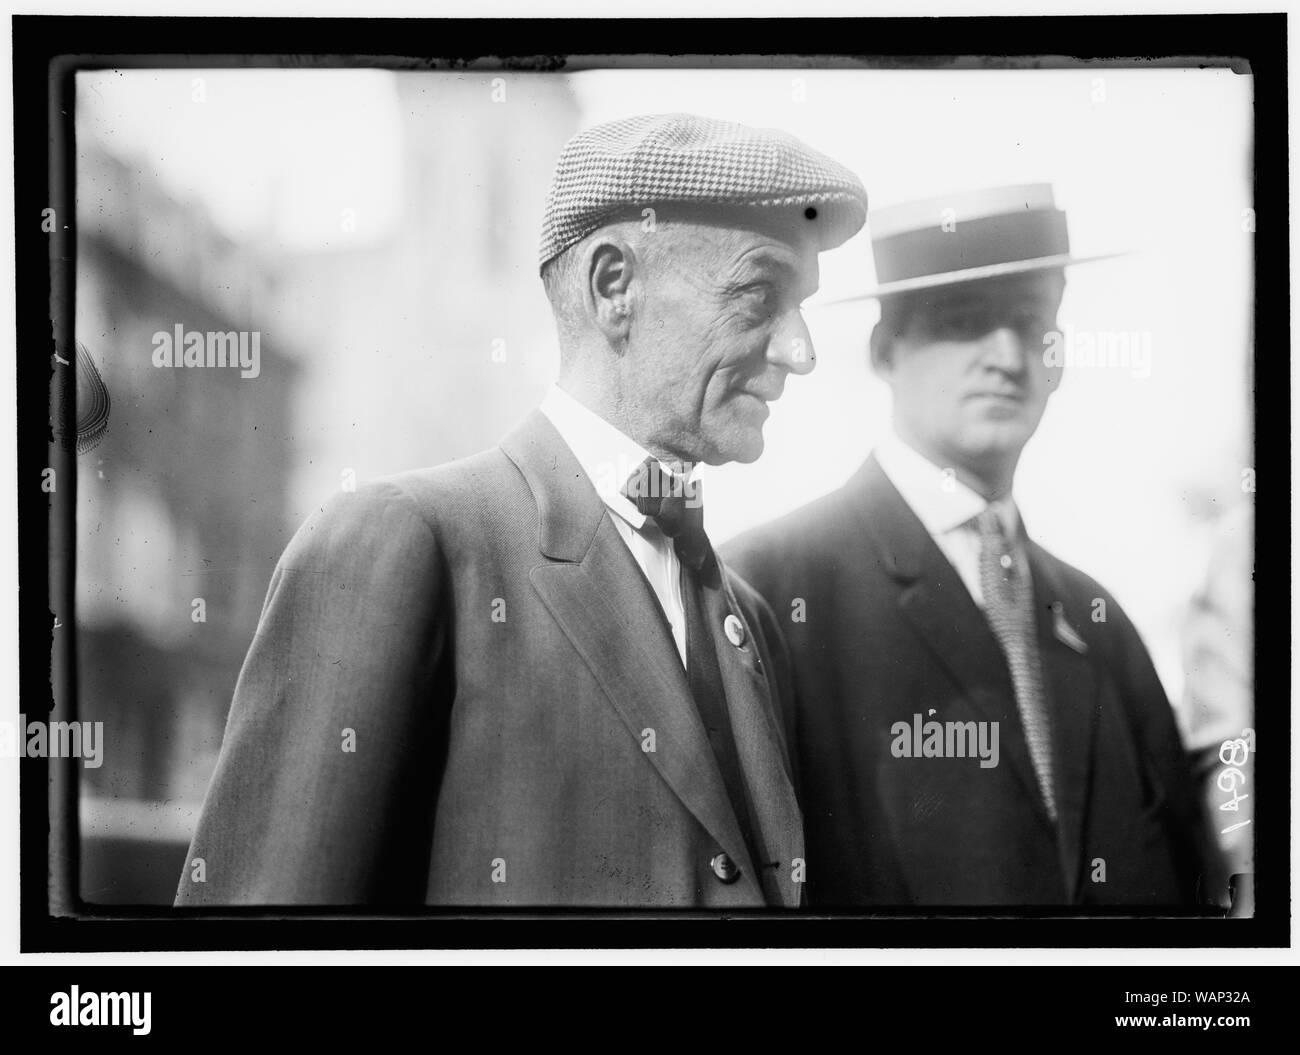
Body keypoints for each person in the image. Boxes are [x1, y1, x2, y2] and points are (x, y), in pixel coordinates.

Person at [175, 113, 868, 907]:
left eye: (803, 306)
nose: (802, 352)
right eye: (759, 294)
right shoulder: (407, 543)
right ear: (616, 288)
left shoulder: (750, 622)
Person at [725, 184, 1218, 907]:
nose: (1006, 355)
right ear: (885, 349)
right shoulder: (770, 587)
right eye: (964, 321)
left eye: (1030, 322)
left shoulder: (1097, 620)